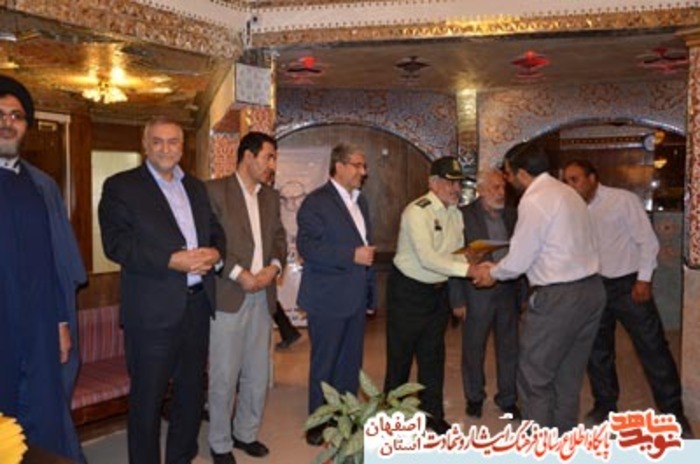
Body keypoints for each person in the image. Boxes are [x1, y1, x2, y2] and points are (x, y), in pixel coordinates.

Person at [98, 116, 225, 464]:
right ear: (145, 145)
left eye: (173, 142)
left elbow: (215, 231)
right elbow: (116, 243)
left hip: (197, 307)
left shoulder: (196, 187)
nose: (166, 149)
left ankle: (180, 458)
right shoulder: (121, 186)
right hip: (151, 314)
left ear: (182, 147)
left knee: (190, 395)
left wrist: (216, 253)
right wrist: (171, 260)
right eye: (158, 141)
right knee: (147, 401)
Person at [471, 142, 605, 432]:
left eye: (508, 174)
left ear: (521, 173)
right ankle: (563, 443)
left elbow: (520, 259)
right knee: (567, 379)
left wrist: (492, 272)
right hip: (592, 291)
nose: (507, 181)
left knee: (534, 377)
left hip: (559, 298)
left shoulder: (535, 199)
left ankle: (540, 447)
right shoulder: (568, 193)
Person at [562, 159, 694, 438]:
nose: (570, 186)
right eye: (567, 181)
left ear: (592, 178)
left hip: (629, 286)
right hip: (593, 286)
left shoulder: (622, 201)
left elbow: (648, 241)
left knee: (653, 348)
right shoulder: (571, 208)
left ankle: (673, 413)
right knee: (597, 351)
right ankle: (605, 406)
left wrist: (643, 279)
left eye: (575, 179)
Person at [0, 75, 87, 462]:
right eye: (0, 114)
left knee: (44, 421)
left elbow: (56, 263)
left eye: (16, 116)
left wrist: (61, 323)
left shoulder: (41, 186)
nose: (7, 122)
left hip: (38, 329)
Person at [205, 131, 287, 463]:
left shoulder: (271, 197)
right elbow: (209, 241)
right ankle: (220, 442)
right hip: (229, 295)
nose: (272, 164)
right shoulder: (214, 191)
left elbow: (279, 238)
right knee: (224, 375)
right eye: (268, 157)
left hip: (263, 296)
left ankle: (246, 433)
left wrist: (274, 268)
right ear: (248, 156)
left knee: (257, 373)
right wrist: (240, 273)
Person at [385, 156, 475, 435]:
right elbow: (428, 258)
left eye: (458, 183)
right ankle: (392, 422)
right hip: (408, 292)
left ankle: (433, 416)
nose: (455, 189)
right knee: (400, 360)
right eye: (449, 182)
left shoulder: (455, 213)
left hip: (437, 293)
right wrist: (469, 270)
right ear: (433, 182)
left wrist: (472, 263)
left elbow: (456, 254)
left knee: (433, 357)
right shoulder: (417, 211)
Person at [296, 143, 376, 446]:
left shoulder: (361, 201)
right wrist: (350, 255)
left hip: (355, 297)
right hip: (327, 297)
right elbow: (307, 247)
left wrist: (370, 296)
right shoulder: (316, 202)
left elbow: (367, 250)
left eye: (364, 166)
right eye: (357, 165)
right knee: (325, 364)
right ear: (339, 166)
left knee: (350, 364)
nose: (362, 172)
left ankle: (346, 418)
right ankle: (318, 424)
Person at [448, 168, 521, 420]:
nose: (501, 193)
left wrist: (523, 294)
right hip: (475, 292)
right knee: (473, 348)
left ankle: (508, 398)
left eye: (503, 187)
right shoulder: (463, 216)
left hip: (508, 290)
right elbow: (453, 258)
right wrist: (457, 299)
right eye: (494, 188)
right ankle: (474, 397)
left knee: (510, 348)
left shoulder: (513, 215)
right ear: (480, 190)